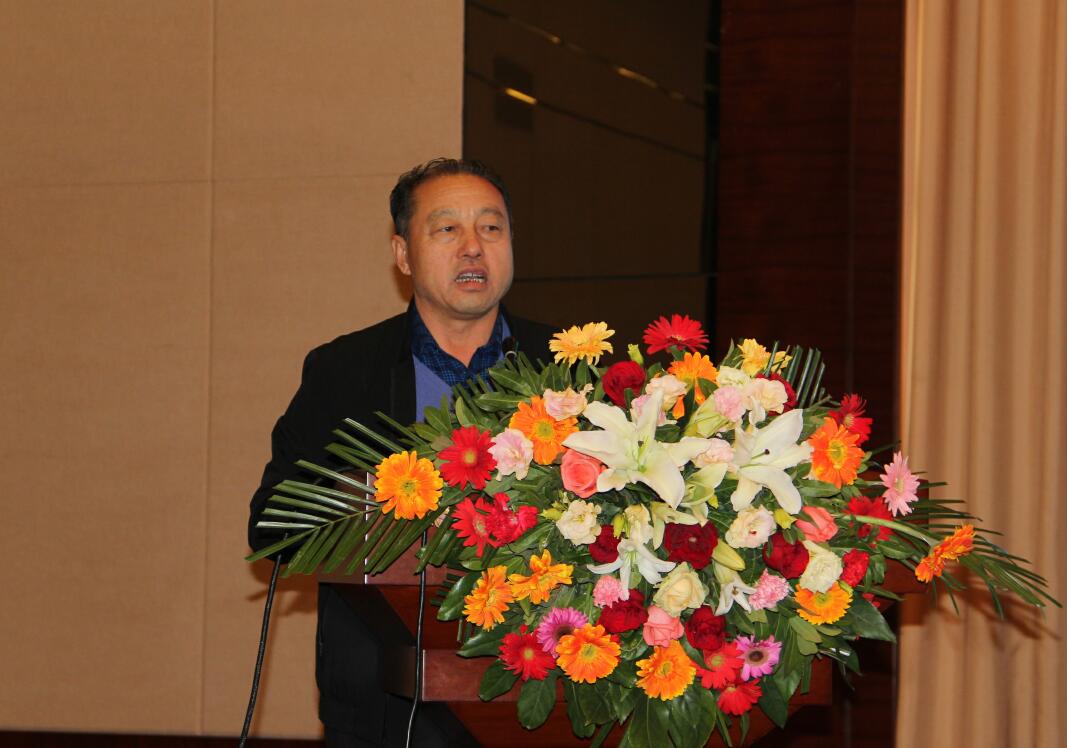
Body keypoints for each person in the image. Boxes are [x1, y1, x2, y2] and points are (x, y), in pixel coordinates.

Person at [248, 158, 556, 747]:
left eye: (491, 228)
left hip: (541, 696)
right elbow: (271, 525)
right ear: (403, 254)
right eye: (447, 229)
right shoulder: (344, 371)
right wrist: (380, 499)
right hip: (384, 703)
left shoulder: (567, 364)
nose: (473, 247)